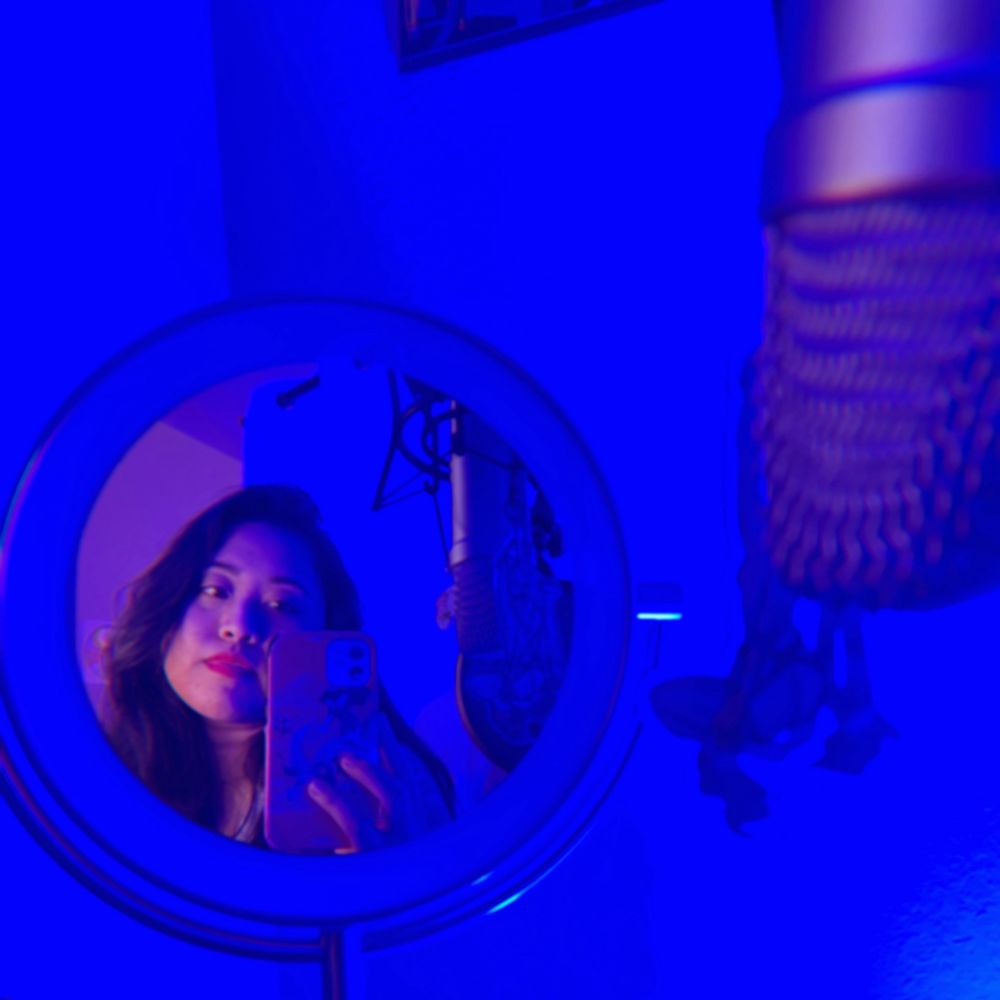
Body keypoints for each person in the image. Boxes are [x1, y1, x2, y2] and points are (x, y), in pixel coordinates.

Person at [101, 484, 454, 850]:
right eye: (214, 590)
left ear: (324, 635)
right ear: (169, 610)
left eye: (281, 605)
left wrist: (395, 882)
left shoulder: (394, 786)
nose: (239, 626)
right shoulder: (106, 766)